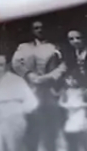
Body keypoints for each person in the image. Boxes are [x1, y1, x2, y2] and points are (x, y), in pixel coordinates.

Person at [11, 20, 65, 151]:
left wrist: (49, 77)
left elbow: (63, 66)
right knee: (31, 123)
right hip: (31, 89)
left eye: (42, 27)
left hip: (49, 90)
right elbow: (16, 63)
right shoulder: (24, 47)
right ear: (32, 31)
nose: (40, 30)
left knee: (50, 124)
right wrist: (29, 74)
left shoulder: (55, 47)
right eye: (36, 28)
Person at [0, 53, 39, 151]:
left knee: (12, 147)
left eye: (0, 65)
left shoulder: (16, 80)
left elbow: (32, 102)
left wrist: (17, 112)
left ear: (6, 66)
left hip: (13, 119)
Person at [59, 72, 87, 151]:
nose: (71, 81)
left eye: (73, 78)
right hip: (71, 121)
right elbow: (61, 103)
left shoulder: (82, 90)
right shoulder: (65, 92)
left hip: (82, 120)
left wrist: (82, 105)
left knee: (85, 143)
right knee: (72, 145)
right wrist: (69, 107)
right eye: (68, 79)